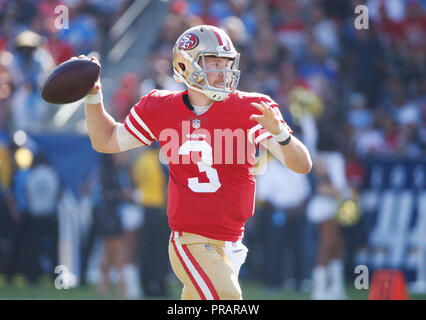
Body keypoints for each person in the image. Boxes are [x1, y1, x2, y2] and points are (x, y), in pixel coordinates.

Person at [82, 25, 312, 300]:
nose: (223, 71)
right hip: (190, 241)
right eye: (214, 63)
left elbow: (302, 165)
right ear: (185, 64)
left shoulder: (252, 108)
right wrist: (93, 96)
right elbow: (105, 140)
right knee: (228, 300)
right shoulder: (159, 107)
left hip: (231, 243)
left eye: (226, 63)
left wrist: (281, 135)